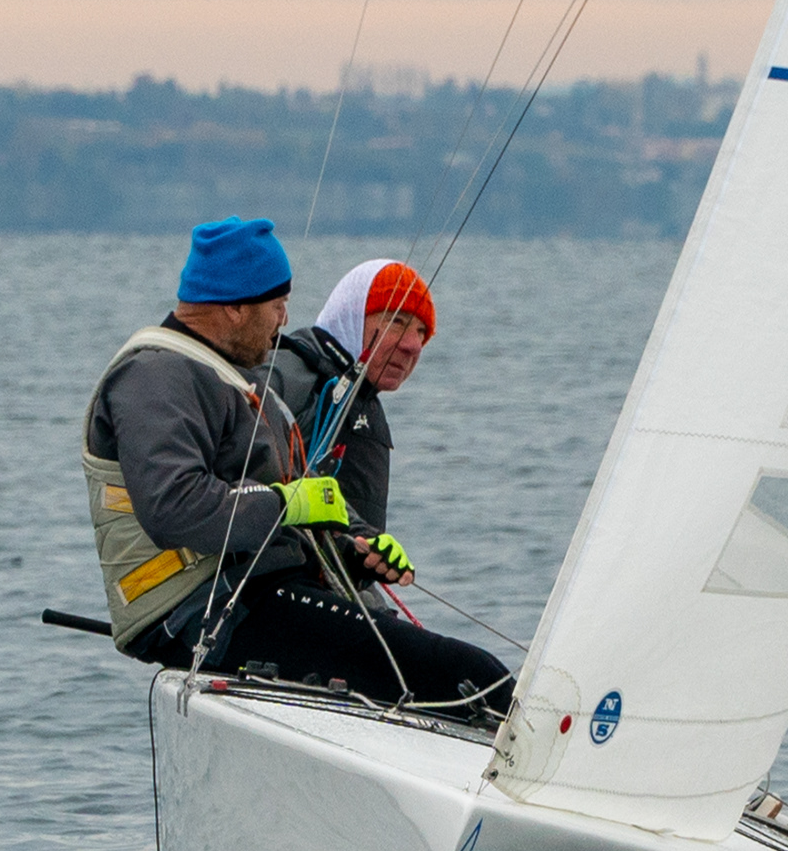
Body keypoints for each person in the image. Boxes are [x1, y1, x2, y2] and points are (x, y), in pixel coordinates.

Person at [77, 219, 513, 722]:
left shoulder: (227, 377)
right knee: (468, 678)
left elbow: (268, 505)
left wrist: (355, 549)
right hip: (200, 611)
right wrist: (288, 505)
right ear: (235, 308)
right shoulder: (156, 375)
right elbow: (174, 506)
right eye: (277, 306)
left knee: (459, 671)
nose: (285, 321)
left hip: (255, 593)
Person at [268, 257, 436, 592]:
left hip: (339, 590)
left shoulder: (367, 407)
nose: (413, 345)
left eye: (421, 332)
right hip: (274, 588)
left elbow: (350, 551)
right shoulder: (289, 372)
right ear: (352, 315)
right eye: (397, 321)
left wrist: (369, 558)